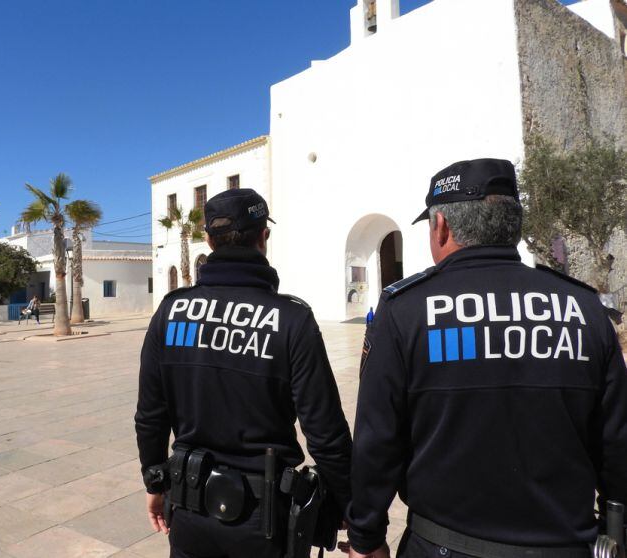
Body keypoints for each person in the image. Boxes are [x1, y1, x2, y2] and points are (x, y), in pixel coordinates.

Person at [346, 159, 627, 558]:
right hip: (565, 544)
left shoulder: (405, 310)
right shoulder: (582, 307)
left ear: (441, 225)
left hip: (443, 546)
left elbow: (377, 441)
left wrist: (365, 537)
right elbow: (616, 442)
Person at [135, 188, 353, 558]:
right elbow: (325, 431)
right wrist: (349, 503)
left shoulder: (171, 311)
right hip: (263, 523)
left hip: (188, 512)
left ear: (208, 239)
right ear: (263, 236)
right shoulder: (290, 319)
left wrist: (154, 482)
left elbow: (150, 415)